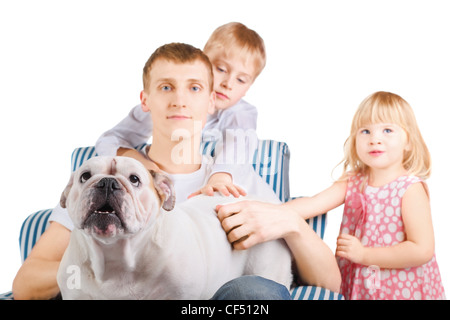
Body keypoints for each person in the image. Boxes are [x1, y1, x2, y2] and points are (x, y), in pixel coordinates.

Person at [12, 43, 341, 299]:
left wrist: (292, 223)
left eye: (194, 88)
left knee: (254, 293)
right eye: (166, 87)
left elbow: (329, 283)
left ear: (213, 101)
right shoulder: (99, 187)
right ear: (145, 100)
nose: (180, 100)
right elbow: (26, 284)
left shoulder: (238, 180)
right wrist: (103, 279)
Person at [263, 91, 444, 299]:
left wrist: (365, 255)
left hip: (401, 291)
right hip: (360, 287)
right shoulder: (353, 181)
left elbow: (421, 250)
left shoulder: (409, 189)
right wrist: (268, 212)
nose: (375, 139)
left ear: (408, 142)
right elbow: (314, 203)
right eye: (365, 131)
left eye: (387, 130)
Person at [95, 22, 265, 197]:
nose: (227, 84)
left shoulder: (241, 114)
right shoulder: (165, 104)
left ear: (248, 88)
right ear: (202, 62)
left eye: (241, 80)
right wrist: (138, 160)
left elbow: (238, 147)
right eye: (221, 69)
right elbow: (110, 139)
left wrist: (221, 177)